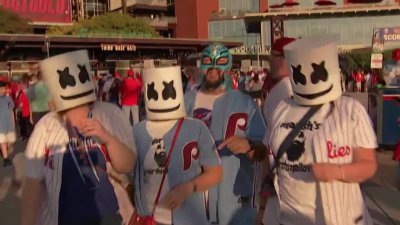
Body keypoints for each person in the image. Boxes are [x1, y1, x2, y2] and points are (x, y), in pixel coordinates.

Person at [266, 36, 377, 225]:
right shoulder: (283, 108)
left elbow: (368, 165)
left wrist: (338, 172)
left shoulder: (350, 110)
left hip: (338, 217)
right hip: (286, 217)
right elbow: (269, 154)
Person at [21, 50, 136, 225]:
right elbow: (33, 184)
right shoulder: (46, 125)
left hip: (111, 217)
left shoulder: (110, 114)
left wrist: (107, 138)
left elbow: (127, 165)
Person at [185, 43, 267, 225]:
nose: (213, 70)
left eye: (219, 63)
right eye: (208, 64)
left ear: (228, 67)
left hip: (233, 201)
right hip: (193, 199)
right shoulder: (185, 102)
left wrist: (249, 146)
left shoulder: (245, 104)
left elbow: (264, 152)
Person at [133, 66, 222, 225]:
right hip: (150, 218)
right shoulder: (137, 131)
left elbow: (215, 172)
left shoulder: (197, 128)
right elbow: (130, 179)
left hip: (189, 217)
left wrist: (189, 187)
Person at [258, 37, 296, 225]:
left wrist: (263, 201)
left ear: (284, 60)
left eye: (272, 58)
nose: (269, 63)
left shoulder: (283, 90)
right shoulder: (292, 88)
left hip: (280, 180)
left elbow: (270, 147)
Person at [0, 79, 15, 167]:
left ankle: (5, 153)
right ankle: (5, 159)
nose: (3, 90)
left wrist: (13, 121)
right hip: (1, 125)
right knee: (3, 141)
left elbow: (11, 109)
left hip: (8, 123)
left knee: (10, 141)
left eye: (3, 89)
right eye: (1, 89)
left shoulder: (8, 98)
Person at [17, 74, 33, 141]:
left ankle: (26, 136)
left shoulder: (27, 91)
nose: (22, 85)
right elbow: (18, 99)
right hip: (23, 110)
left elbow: (28, 102)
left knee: (26, 125)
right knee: (24, 124)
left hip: (25, 110)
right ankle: (25, 136)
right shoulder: (22, 91)